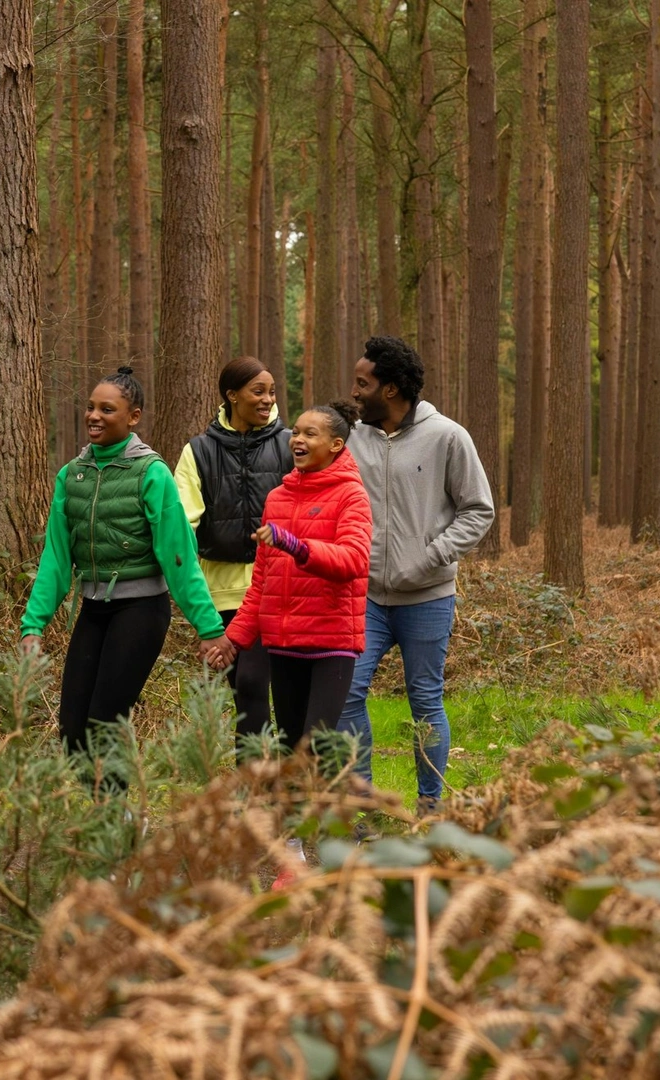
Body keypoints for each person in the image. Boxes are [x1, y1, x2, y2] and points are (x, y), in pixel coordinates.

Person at [19, 366, 234, 787]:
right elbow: (57, 559)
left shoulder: (150, 473)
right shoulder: (72, 476)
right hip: (94, 609)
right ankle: (106, 816)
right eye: (90, 407)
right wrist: (34, 624)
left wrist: (208, 626)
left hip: (140, 610)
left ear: (133, 417)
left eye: (107, 409)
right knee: (73, 728)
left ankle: (120, 826)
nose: (94, 416)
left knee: (104, 722)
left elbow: (178, 557)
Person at [215, 399, 371, 890]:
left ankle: (339, 844)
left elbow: (352, 560)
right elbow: (260, 584)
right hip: (284, 643)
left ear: (337, 445)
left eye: (310, 434)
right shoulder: (278, 497)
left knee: (316, 746)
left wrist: (296, 545)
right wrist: (233, 640)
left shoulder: (352, 496)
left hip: (331, 642)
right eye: (295, 432)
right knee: (288, 745)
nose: (297, 440)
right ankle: (293, 856)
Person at [336, 336, 494, 816]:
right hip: (364, 596)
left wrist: (429, 557)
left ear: (390, 389)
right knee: (346, 693)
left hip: (427, 597)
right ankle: (363, 806)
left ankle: (429, 808)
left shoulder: (447, 436)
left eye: (363, 383)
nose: (355, 391)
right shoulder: (352, 437)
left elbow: (478, 510)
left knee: (425, 700)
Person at [174, 357, 293, 747]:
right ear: (231, 395)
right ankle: (262, 786)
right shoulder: (198, 452)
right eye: (257, 391)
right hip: (220, 590)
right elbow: (182, 525)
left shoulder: (289, 444)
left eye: (271, 392)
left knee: (254, 682)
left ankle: (269, 784)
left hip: (276, 588)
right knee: (243, 693)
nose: (267, 399)